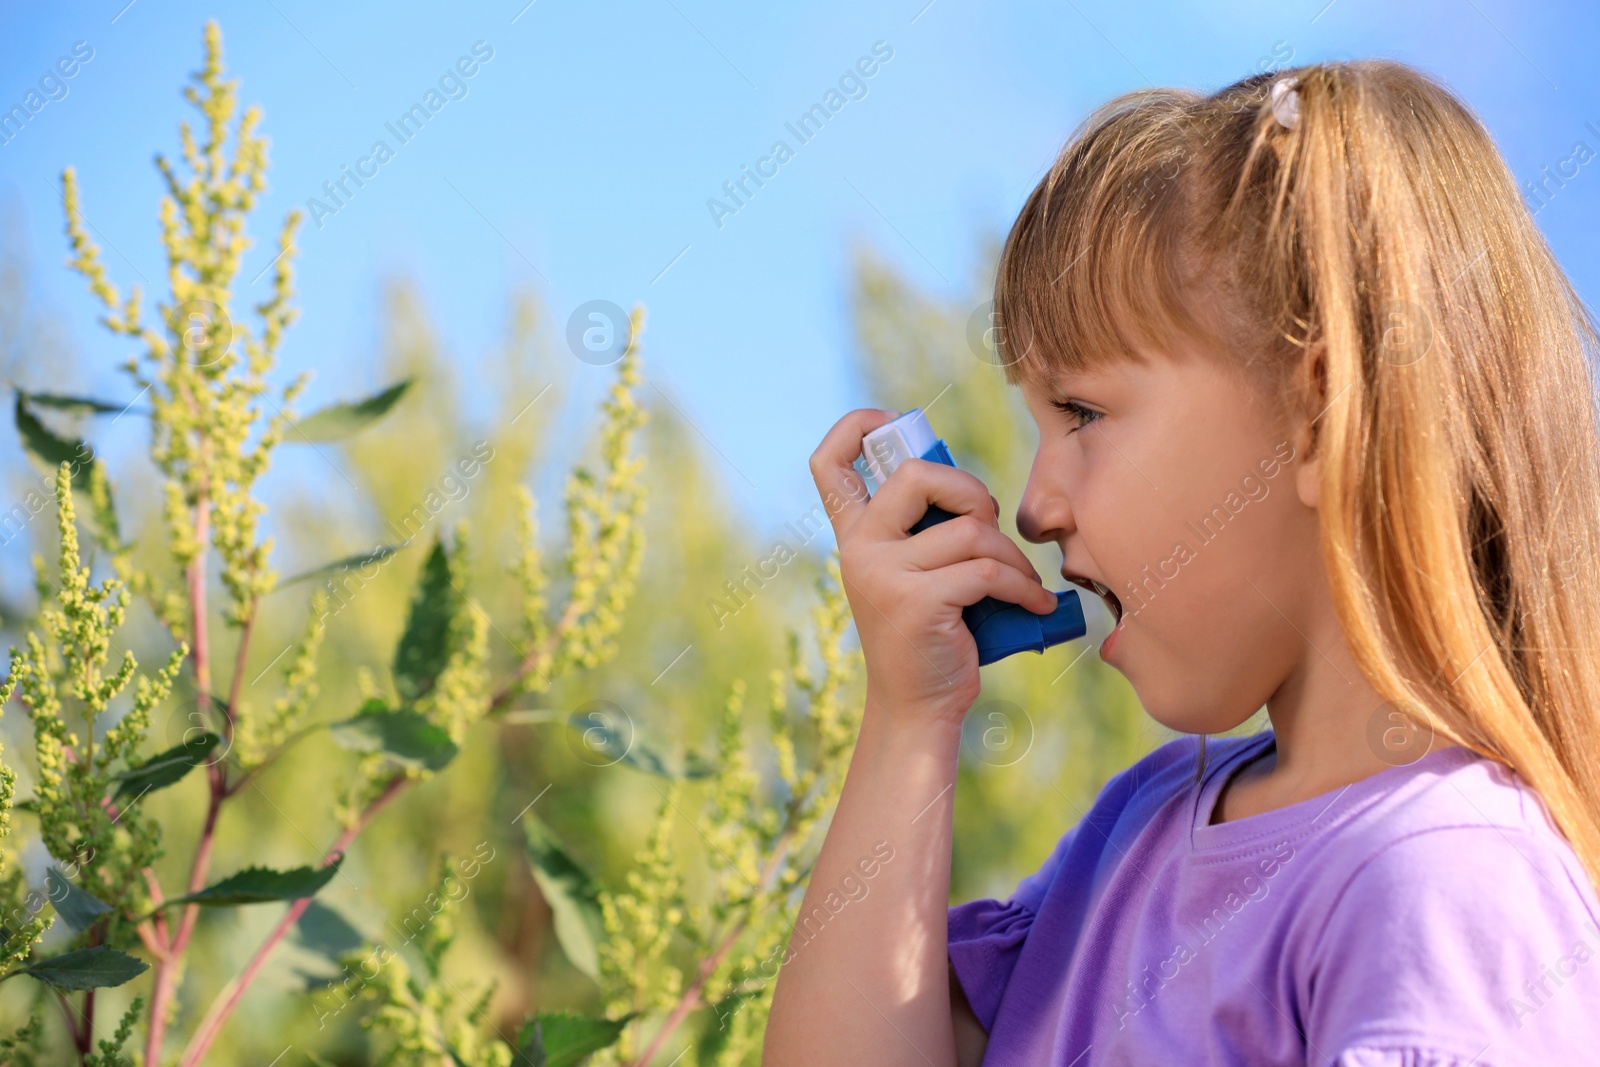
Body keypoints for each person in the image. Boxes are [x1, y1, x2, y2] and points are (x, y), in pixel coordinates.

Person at [764, 60, 1600, 1066]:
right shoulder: (1134, 831)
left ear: (1318, 417)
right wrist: (909, 720)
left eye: (1081, 413)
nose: (1034, 504)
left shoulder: (1447, 880)